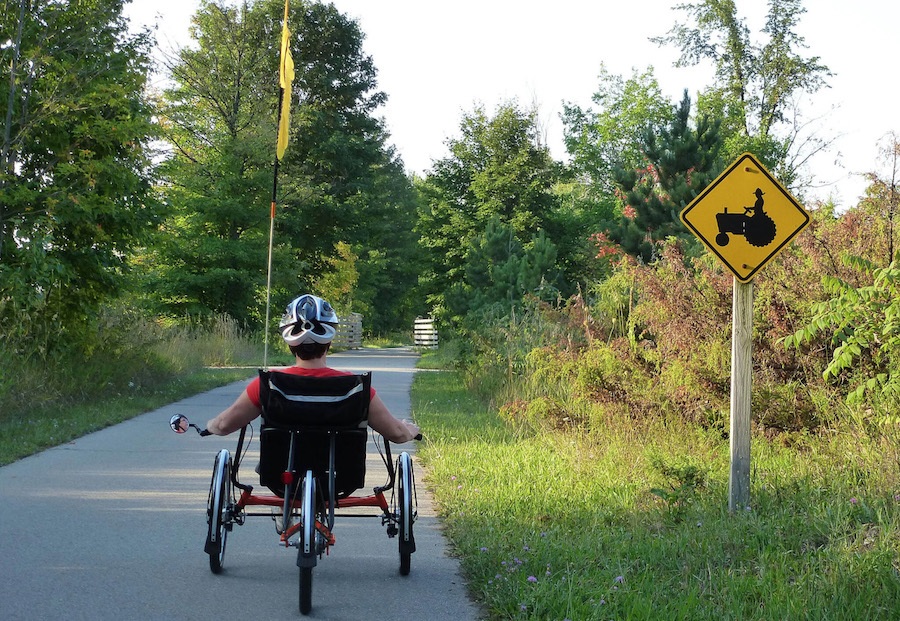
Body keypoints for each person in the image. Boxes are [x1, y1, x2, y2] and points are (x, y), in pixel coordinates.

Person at [205, 294, 420, 444]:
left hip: (280, 475)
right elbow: (397, 435)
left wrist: (209, 425)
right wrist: (410, 431)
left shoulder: (267, 385)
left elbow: (224, 425)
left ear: (291, 344)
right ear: (329, 342)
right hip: (341, 478)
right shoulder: (356, 388)